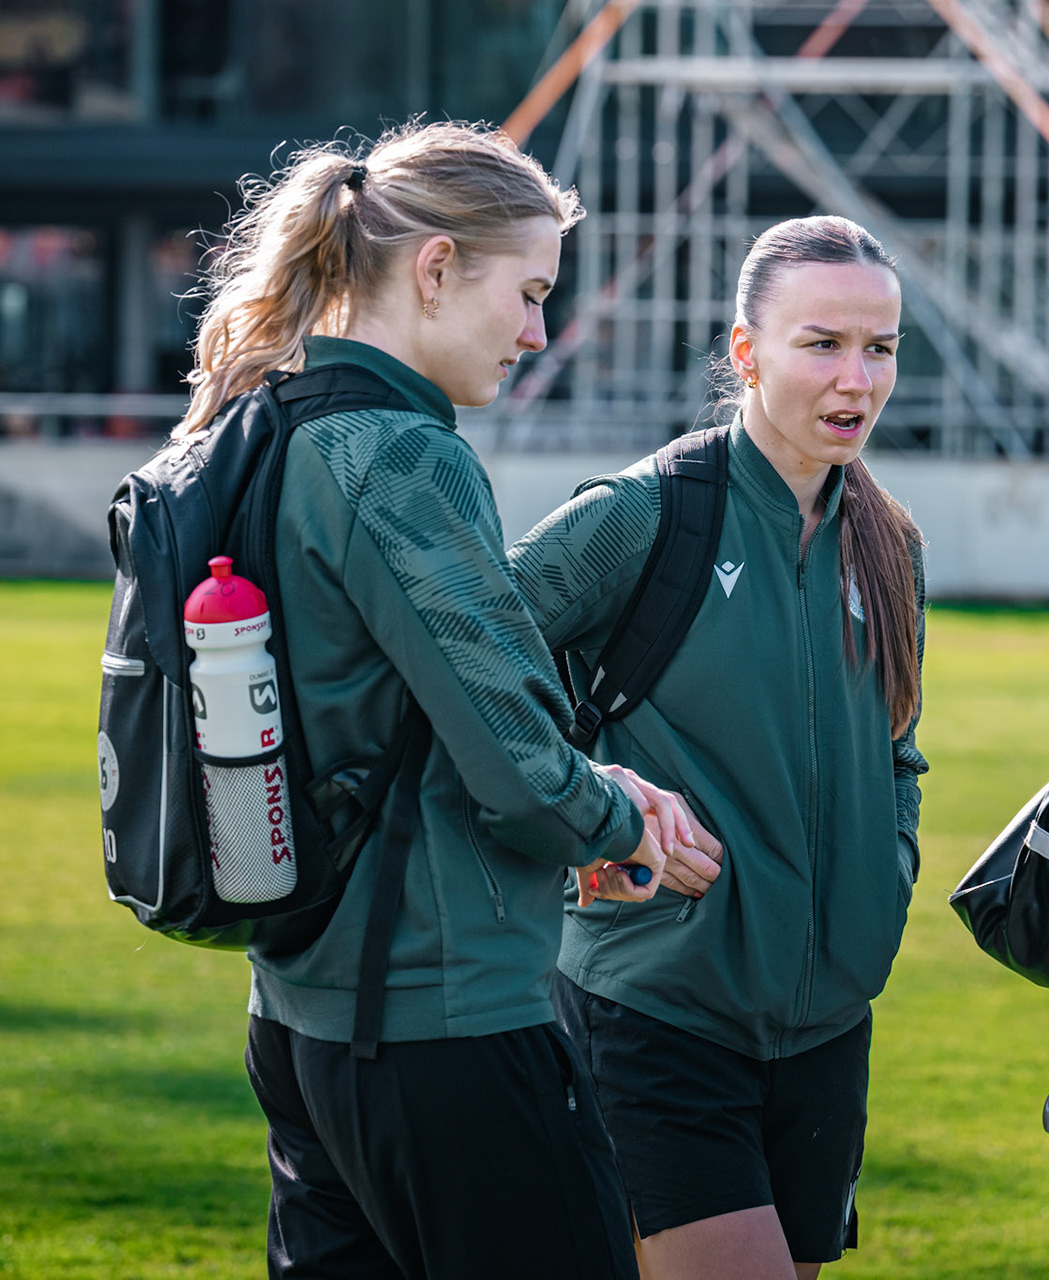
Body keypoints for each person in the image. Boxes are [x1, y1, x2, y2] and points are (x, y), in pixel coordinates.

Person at [178, 121, 683, 1280]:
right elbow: (515, 761)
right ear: (438, 267)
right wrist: (619, 818)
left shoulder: (260, 423)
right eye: (530, 290)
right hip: (441, 1024)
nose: (539, 331)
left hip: (297, 1011)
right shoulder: (400, 454)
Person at [508, 214, 929, 1280]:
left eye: (880, 348)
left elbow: (897, 754)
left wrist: (885, 880)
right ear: (746, 352)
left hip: (828, 1025)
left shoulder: (888, 541)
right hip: (657, 1008)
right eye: (821, 342)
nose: (857, 378)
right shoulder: (640, 516)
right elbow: (463, 669)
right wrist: (582, 806)